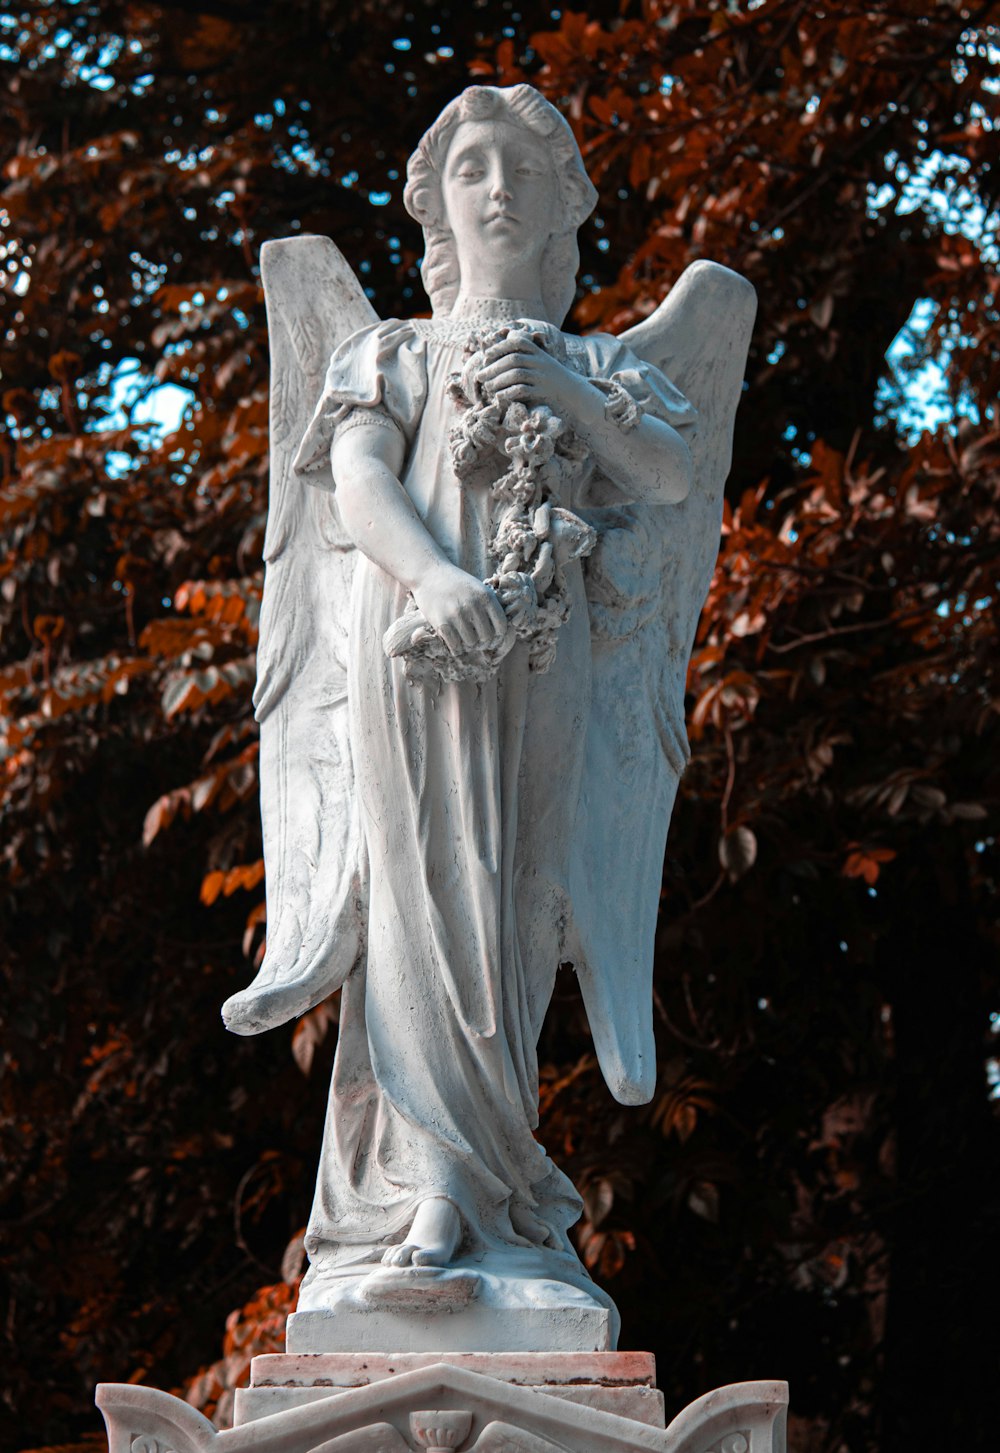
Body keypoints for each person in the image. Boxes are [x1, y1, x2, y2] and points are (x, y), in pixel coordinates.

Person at [289, 83, 696, 1313]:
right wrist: (434, 577)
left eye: (523, 168)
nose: (498, 189)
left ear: (563, 202)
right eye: (471, 167)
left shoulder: (595, 363)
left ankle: (493, 1173)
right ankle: (430, 1185)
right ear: (436, 202)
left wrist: (566, 393)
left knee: (518, 884)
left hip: (544, 641)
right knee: (419, 885)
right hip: (417, 634)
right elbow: (358, 482)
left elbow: (670, 472)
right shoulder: (389, 351)